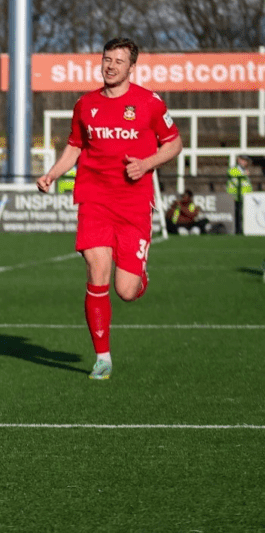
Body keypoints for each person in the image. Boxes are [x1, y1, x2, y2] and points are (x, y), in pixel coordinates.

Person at [37, 37, 182, 381]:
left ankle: (139, 276)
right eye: (107, 59)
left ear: (133, 67)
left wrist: (146, 163)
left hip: (133, 204)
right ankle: (102, 357)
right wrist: (53, 174)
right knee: (96, 272)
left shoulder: (150, 103)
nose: (111, 66)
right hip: (94, 199)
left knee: (125, 290)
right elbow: (74, 146)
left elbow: (174, 143)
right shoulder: (85, 105)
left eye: (119, 61)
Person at [227, 154, 253, 235]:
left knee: (242, 214)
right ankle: (237, 230)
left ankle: (242, 230)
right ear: (238, 160)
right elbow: (232, 173)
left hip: (244, 196)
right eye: (243, 160)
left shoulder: (244, 170)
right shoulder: (234, 169)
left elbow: (246, 184)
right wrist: (244, 174)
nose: (244, 162)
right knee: (237, 214)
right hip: (235, 195)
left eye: (246, 161)